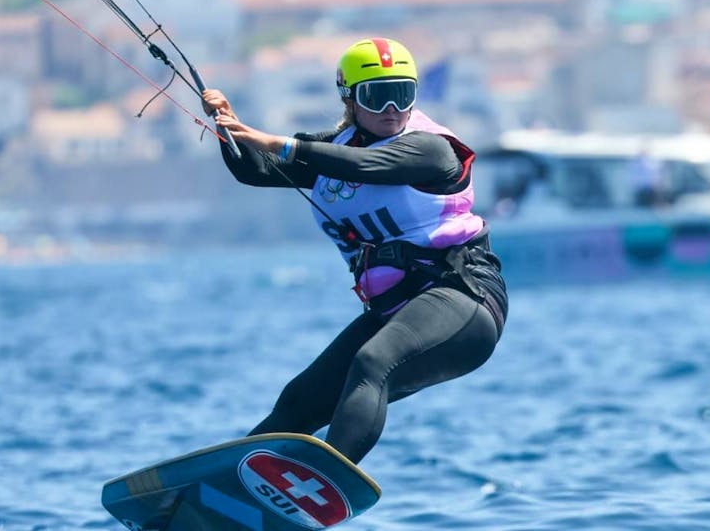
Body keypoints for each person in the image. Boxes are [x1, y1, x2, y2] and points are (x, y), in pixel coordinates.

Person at [201, 37, 508, 465]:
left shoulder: (431, 147)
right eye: (377, 96)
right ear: (350, 99)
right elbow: (255, 171)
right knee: (300, 400)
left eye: (402, 95)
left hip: (465, 298)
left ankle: (325, 477)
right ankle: (223, 482)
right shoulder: (336, 148)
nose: (392, 110)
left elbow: (365, 167)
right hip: (398, 309)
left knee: (371, 363)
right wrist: (226, 126)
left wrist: (275, 141)